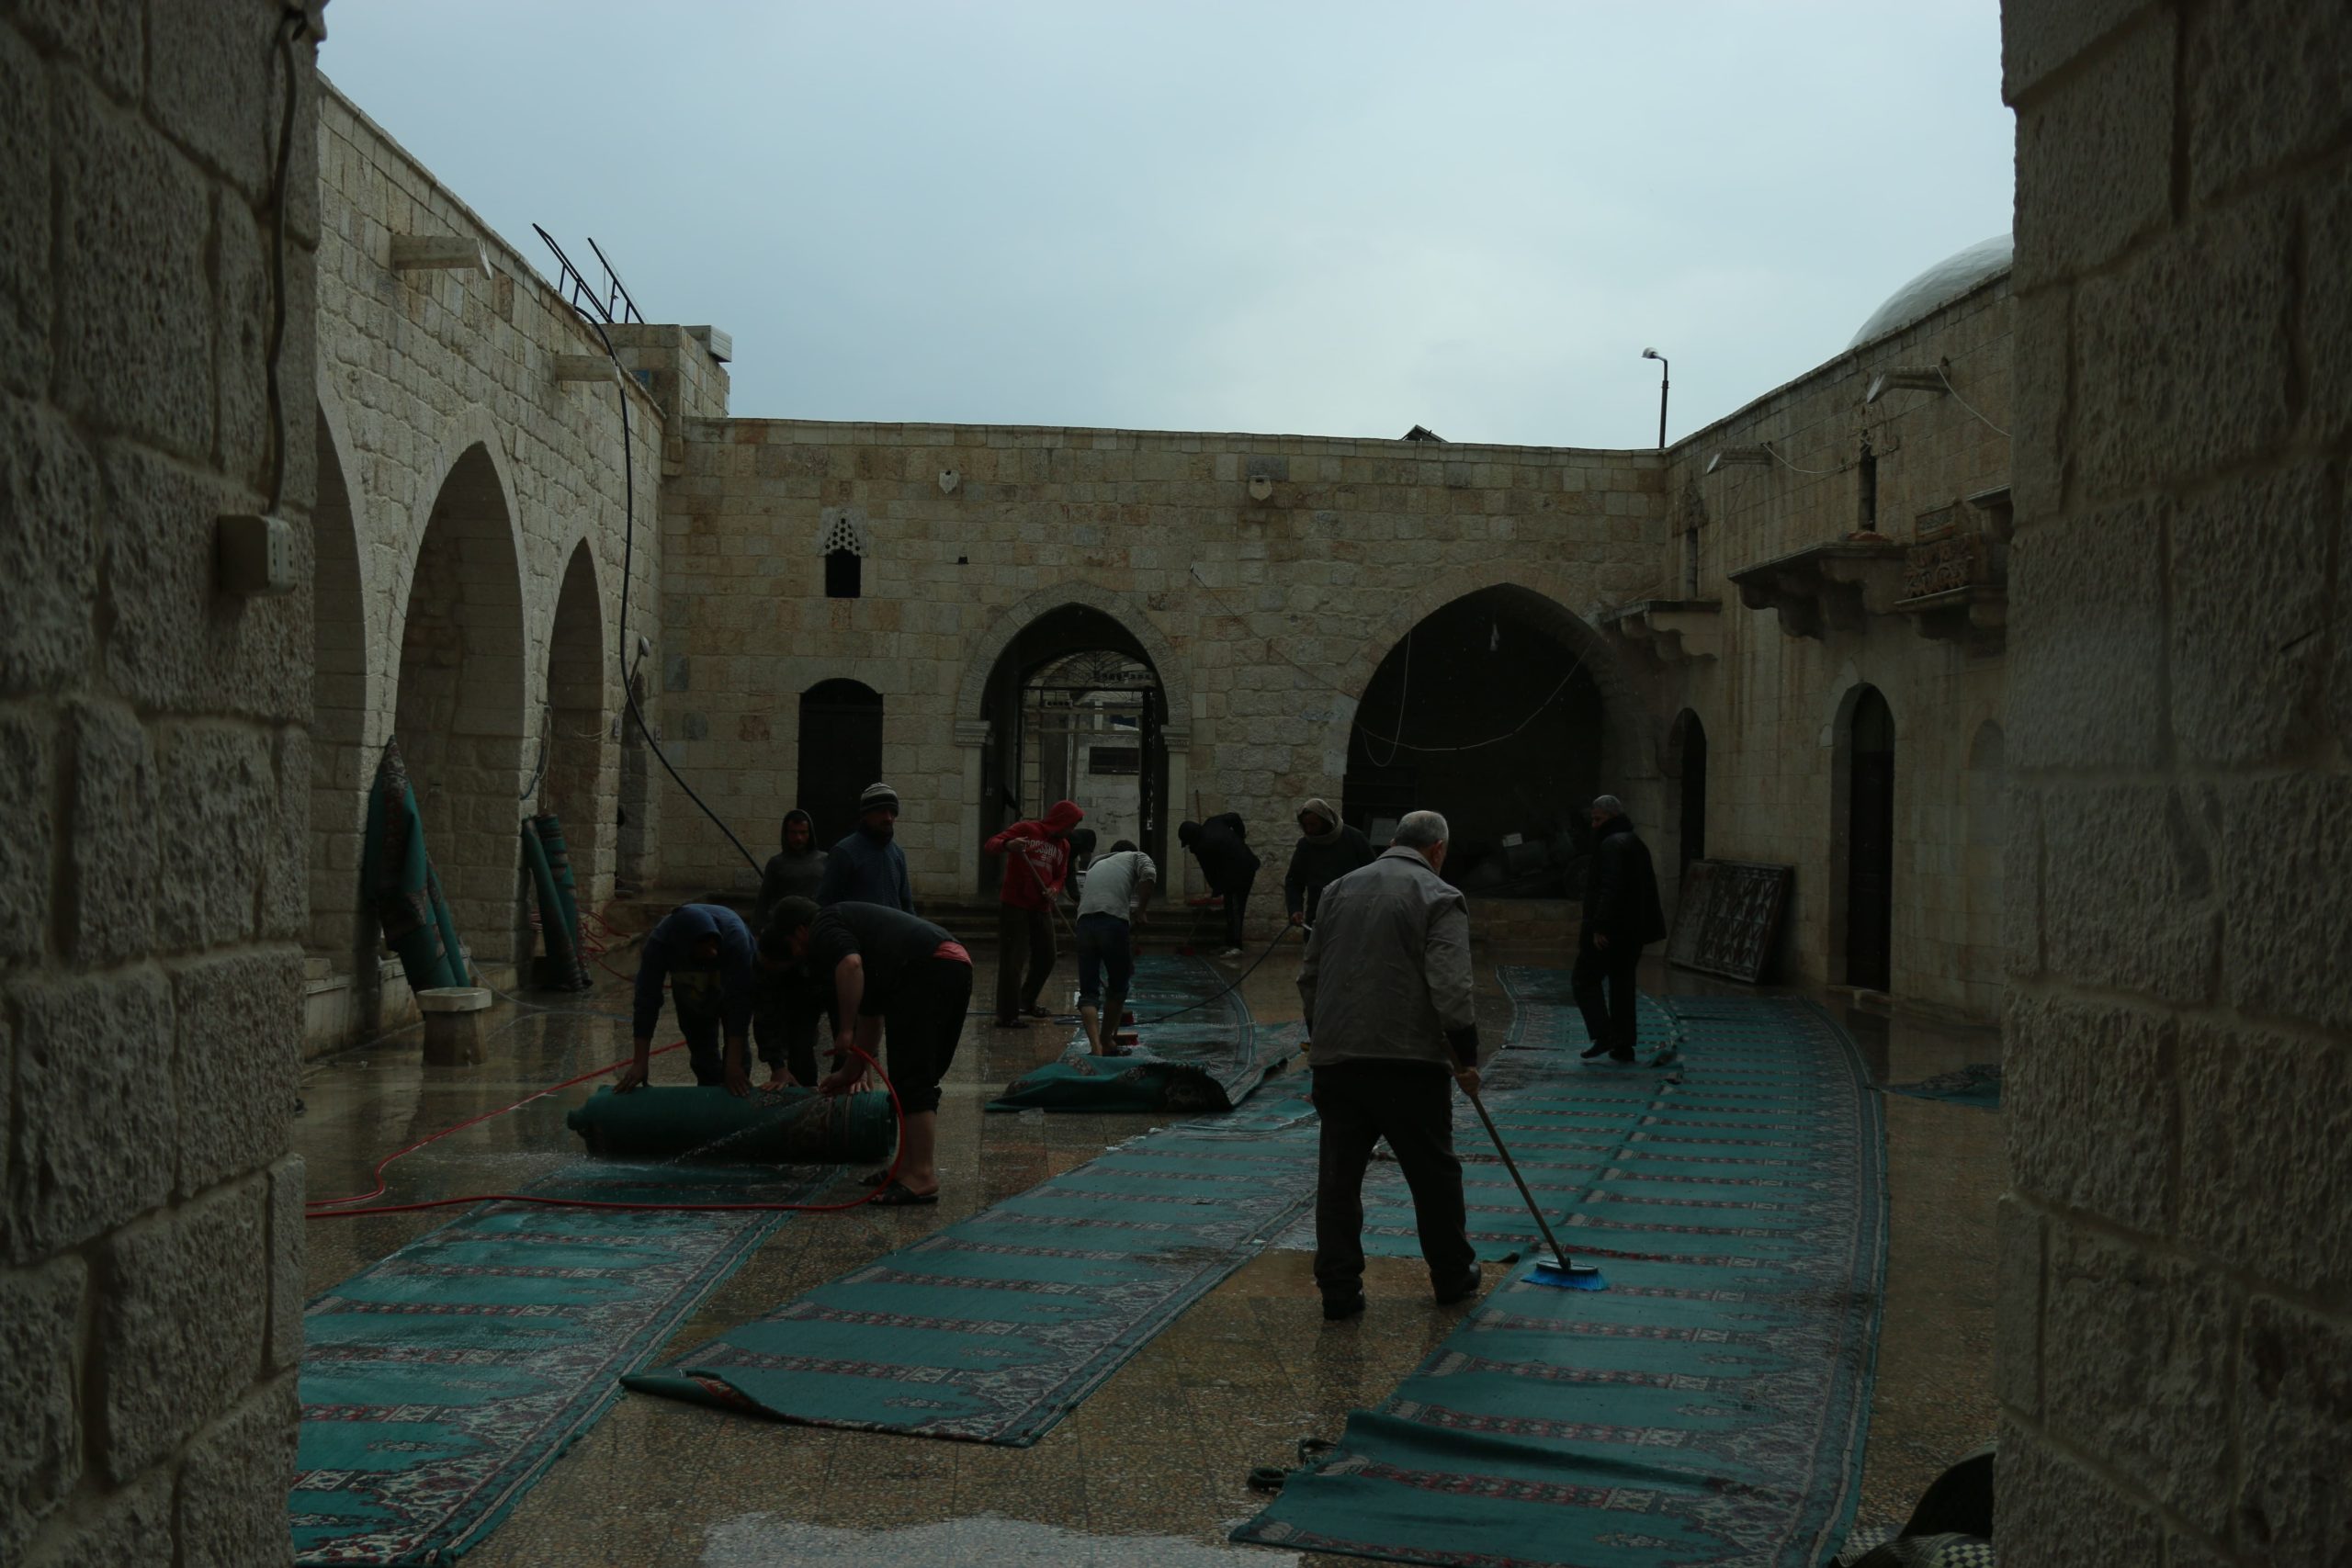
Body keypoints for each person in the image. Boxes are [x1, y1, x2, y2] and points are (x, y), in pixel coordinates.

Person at [1299, 810, 1482, 1322]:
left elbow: (1309, 974)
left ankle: (1338, 1288)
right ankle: (1450, 1275)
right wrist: (1466, 1056)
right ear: (1438, 849)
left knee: (1339, 1177)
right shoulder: (1439, 896)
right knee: (1433, 1174)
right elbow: (1450, 986)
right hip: (1408, 1062)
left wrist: (1322, 1037)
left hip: (1337, 1059)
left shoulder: (1336, 891)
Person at [760, 897, 973, 1205]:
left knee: (914, 1076)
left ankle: (922, 1176)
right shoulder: (868, 942)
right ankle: (906, 1168)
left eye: (791, 944)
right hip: (944, 963)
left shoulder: (825, 925)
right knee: (909, 1074)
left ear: (801, 930)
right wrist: (850, 1071)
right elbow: (871, 1018)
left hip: (929, 966)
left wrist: (844, 1030)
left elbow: (850, 965)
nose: (797, 956)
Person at [616, 903, 757, 1097]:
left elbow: (741, 1004)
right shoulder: (660, 943)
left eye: (714, 945)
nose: (713, 952)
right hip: (689, 984)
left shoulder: (734, 939)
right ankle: (708, 1096)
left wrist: (733, 1065)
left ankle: (736, 1094)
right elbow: (646, 1001)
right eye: (705, 948)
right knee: (702, 1048)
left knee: (737, 1065)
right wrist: (640, 1062)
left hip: (730, 975)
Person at [1574, 794, 1666, 1064]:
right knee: (1622, 984)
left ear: (1611, 818)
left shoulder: (1612, 845)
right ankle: (1623, 1044)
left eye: (1598, 819)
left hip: (1612, 931)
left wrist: (1600, 926)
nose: (1594, 825)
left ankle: (1604, 1035)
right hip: (1632, 931)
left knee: (1584, 979)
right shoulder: (1634, 842)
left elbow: (1610, 889)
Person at [982, 798, 1085, 1028]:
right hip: (1015, 903)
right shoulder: (1028, 829)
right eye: (1071, 824)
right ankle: (1007, 1015)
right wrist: (1009, 845)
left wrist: (1054, 889)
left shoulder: (1064, 846)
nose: (1071, 830)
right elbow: (991, 844)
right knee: (1014, 959)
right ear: (1061, 820)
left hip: (1041, 906)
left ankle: (1025, 1001)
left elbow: (1061, 874)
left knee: (1047, 956)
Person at [752, 808, 830, 1085]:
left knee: (808, 1028)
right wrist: (760, 937)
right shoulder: (777, 864)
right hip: (784, 947)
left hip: (815, 948)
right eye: (793, 833)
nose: (798, 838)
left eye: (803, 832)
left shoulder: (824, 862)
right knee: (783, 1015)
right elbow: (763, 904)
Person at [1073, 838, 1155, 1056]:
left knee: (1088, 991)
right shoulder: (1138, 857)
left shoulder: (1096, 864)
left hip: (1084, 923)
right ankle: (1107, 1040)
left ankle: (1096, 1048)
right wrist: (1141, 911)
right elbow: (1149, 876)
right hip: (1111, 921)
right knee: (1118, 986)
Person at [816, 783, 914, 912]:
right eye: (882, 811)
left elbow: (906, 904)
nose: (888, 818)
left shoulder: (897, 854)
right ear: (866, 814)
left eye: (892, 812)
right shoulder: (844, 852)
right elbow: (825, 902)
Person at [1283, 795, 1374, 929]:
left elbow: (1373, 876)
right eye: (1305, 825)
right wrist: (1295, 909)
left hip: (1351, 915)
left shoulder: (1355, 839)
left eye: (1313, 825)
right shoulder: (1305, 845)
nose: (1309, 830)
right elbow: (1294, 882)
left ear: (1325, 821)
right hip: (1317, 915)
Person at [1176, 811, 1260, 957]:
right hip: (1242, 864)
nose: (1189, 846)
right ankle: (1229, 943)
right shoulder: (1212, 822)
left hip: (1242, 871)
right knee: (1230, 907)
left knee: (1235, 908)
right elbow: (1235, 817)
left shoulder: (1202, 847)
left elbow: (1211, 873)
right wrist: (1240, 838)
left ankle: (1236, 947)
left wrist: (1217, 888)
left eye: (1188, 843)